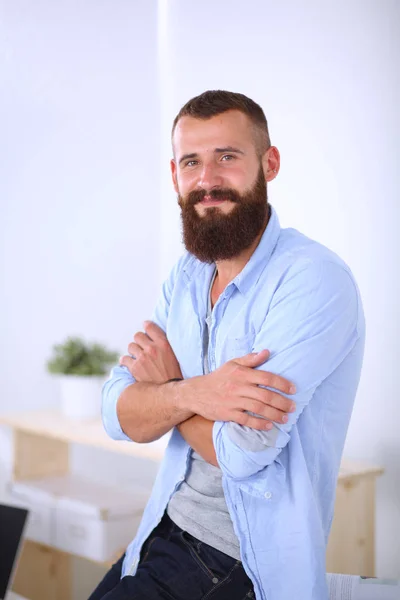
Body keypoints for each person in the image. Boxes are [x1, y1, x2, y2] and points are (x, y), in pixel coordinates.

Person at [90, 90, 365, 600]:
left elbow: (242, 454)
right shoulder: (188, 275)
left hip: (235, 557)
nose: (208, 180)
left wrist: (168, 389)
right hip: (160, 525)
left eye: (227, 157)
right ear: (175, 175)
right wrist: (195, 394)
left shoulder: (312, 280)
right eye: (192, 162)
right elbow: (115, 410)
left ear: (270, 163)